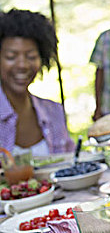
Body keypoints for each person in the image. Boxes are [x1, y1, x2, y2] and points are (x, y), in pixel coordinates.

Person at [0, 9, 75, 156]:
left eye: (31, 56)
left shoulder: (54, 112)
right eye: (11, 57)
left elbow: (72, 165)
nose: (22, 65)